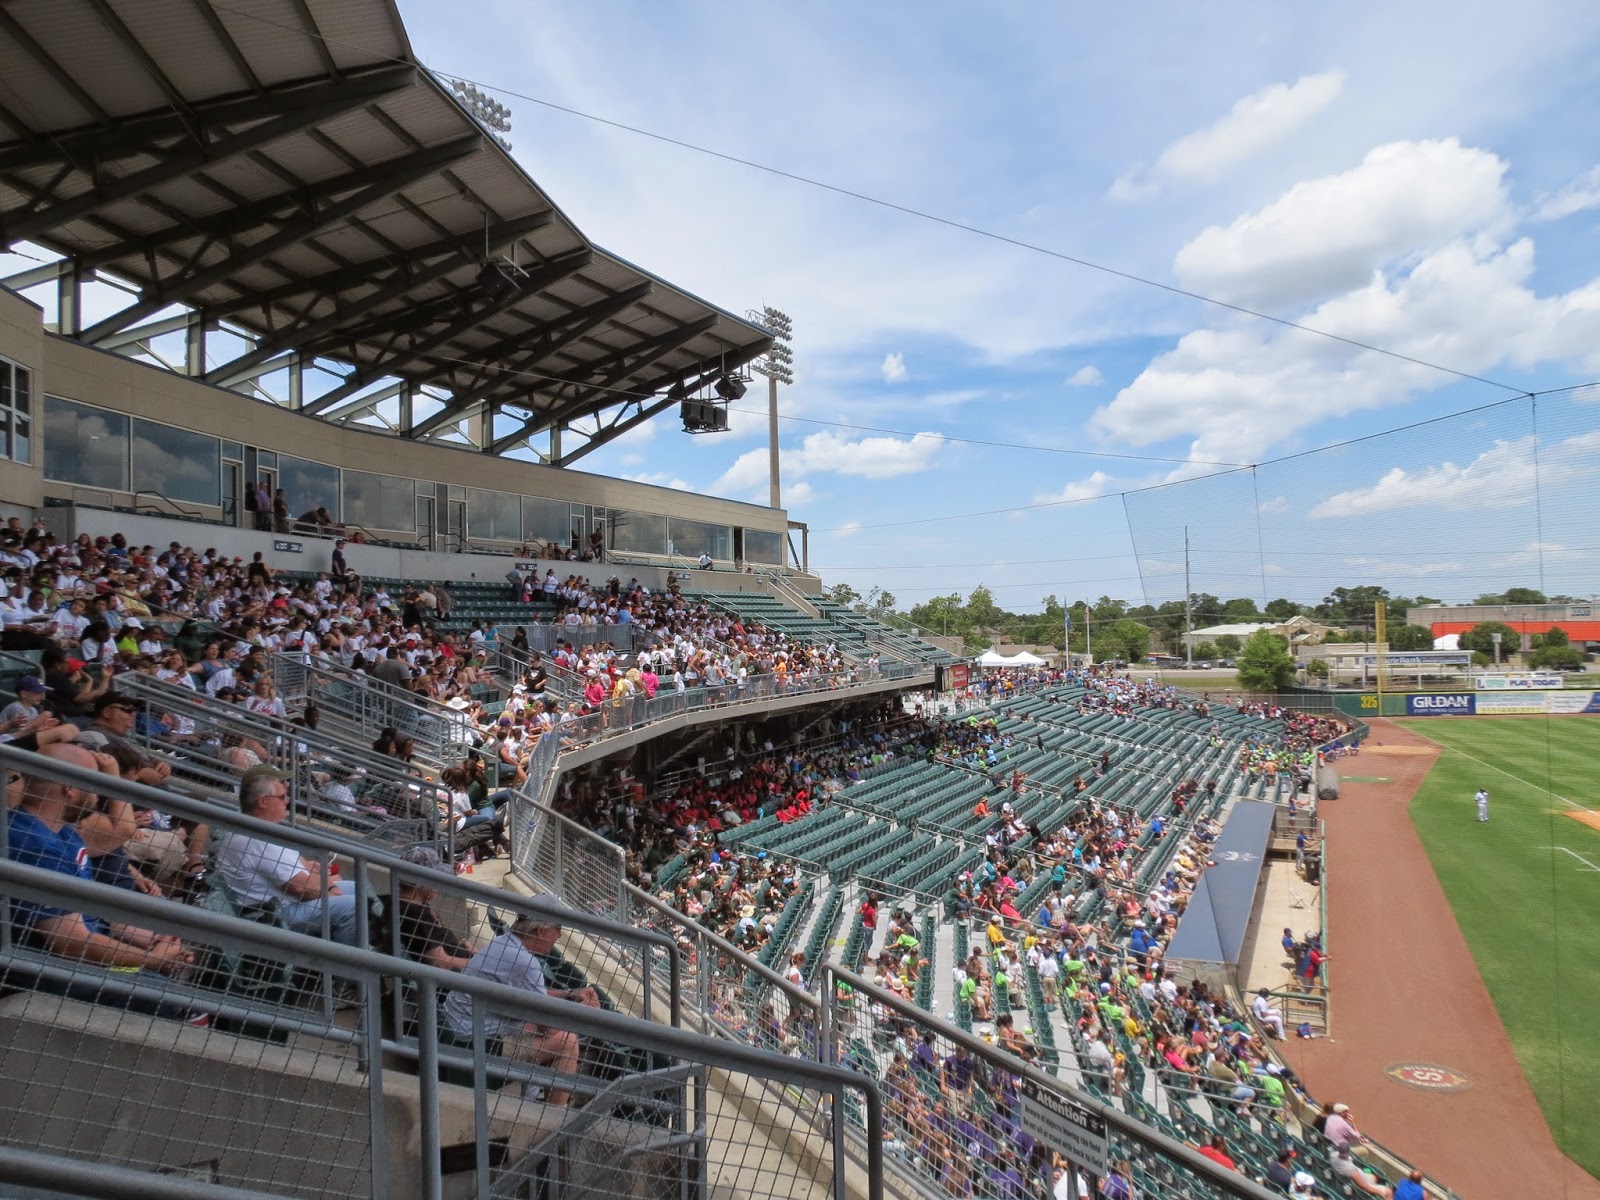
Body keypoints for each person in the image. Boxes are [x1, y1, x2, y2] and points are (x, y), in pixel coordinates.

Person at [442, 916, 600, 1106]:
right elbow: (547, 1028)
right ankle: (554, 1122)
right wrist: (580, 1010)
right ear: (541, 931)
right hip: (473, 1043)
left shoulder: (502, 943)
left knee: (533, 1026)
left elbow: (535, 997)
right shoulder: (525, 963)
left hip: (460, 1029)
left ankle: (532, 1099)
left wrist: (569, 996)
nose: (559, 935)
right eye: (557, 929)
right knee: (567, 1042)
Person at [215, 766, 361, 946]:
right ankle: (349, 969)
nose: (287, 800)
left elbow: (299, 871)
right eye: (282, 797)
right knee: (352, 906)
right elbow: (300, 888)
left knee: (356, 889)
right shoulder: (258, 838)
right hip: (274, 917)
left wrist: (316, 875)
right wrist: (328, 888)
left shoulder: (260, 828)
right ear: (263, 801)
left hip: (283, 903)